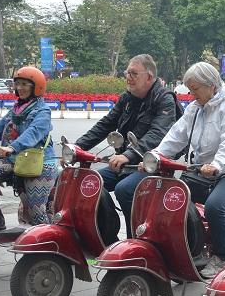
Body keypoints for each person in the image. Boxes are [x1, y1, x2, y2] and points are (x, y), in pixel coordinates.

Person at [149, 62, 225, 276]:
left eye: (195, 89)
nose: (192, 93)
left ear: (211, 85)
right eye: (190, 89)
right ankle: (189, 246)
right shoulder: (196, 107)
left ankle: (221, 258)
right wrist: (156, 156)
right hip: (202, 170)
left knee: (215, 207)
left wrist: (217, 165)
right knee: (171, 198)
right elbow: (177, 134)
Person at [75, 54, 176, 236]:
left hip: (153, 165)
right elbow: (105, 124)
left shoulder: (164, 98)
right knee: (90, 183)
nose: (128, 77)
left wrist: (128, 154)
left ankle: (138, 238)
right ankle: (105, 234)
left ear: (149, 77)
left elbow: (157, 134)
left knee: (125, 189)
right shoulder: (127, 98)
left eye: (134, 73)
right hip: (125, 163)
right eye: (127, 73)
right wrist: (77, 147)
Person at [0, 66, 56, 226]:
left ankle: (48, 242)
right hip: (15, 160)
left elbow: (33, 133)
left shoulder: (43, 111)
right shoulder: (15, 110)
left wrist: (12, 147)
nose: (20, 88)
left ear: (36, 87)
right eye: (17, 83)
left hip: (39, 163)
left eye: (25, 84)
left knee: (36, 212)